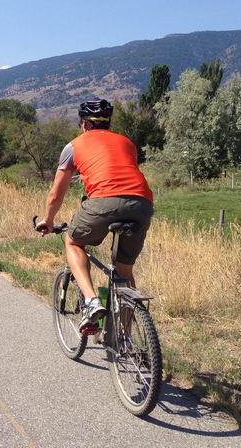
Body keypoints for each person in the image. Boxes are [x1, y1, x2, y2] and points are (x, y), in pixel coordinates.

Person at [36, 99, 154, 331]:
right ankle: (125, 337)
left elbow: (56, 194)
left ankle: (91, 302)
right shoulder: (127, 143)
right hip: (142, 203)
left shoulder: (73, 146)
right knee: (124, 271)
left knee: (73, 242)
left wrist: (48, 220)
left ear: (83, 124)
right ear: (108, 123)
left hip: (103, 200)